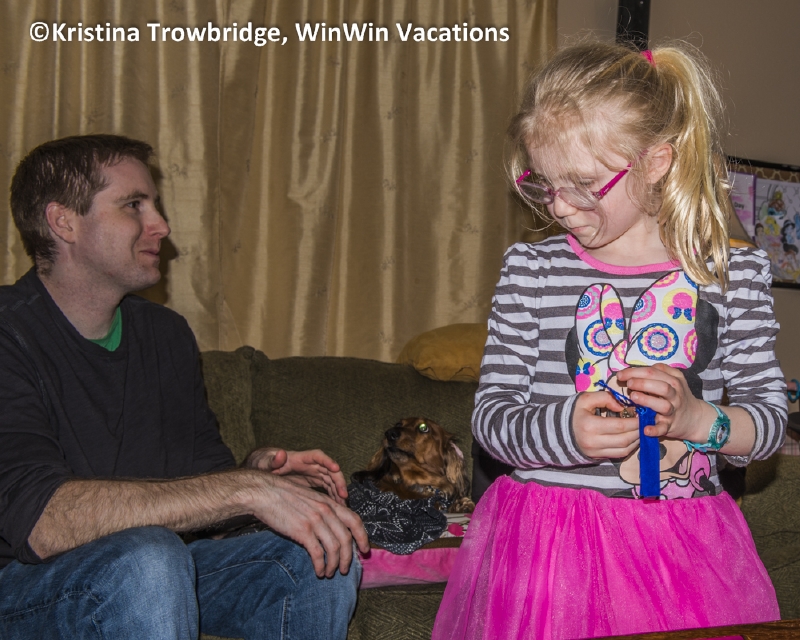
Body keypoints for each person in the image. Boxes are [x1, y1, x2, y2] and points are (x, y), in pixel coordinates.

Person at [433, 42, 787, 639]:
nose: (560, 207)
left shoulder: (734, 276)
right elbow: (491, 422)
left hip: (681, 553)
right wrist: (565, 430)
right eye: (543, 184)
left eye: (583, 184)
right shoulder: (530, 271)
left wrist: (698, 420)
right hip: (545, 557)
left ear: (656, 162)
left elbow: (770, 424)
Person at [0, 134, 369, 640]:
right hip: (23, 589)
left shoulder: (165, 334)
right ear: (63, 222)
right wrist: (245, 490)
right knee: (149, 557)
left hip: (154, 570)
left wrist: (257, 474)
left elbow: (208, 500)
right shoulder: (8, 334)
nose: (161, 225)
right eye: (134, 205)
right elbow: (42, 524)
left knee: (312, 556)